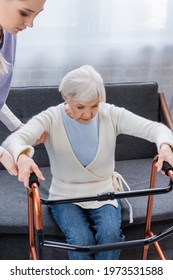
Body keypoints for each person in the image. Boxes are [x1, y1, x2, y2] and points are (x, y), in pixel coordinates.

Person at [2, 65, 173, 260]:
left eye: (94, 106)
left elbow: (156, 129)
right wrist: (22, 157)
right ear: (65, 97)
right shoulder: (50, 117)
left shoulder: (111, 114)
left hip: (104, 190)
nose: (88, 114)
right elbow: (13, 141)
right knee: (80, 240)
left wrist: (166, 147)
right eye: (80, 107)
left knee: (111, 235)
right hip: (64, 194)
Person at [0, 0, 47, 175]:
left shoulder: (8, 32)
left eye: (37, 14)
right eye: (24, 13)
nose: (30, 24)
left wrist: (19, 127)